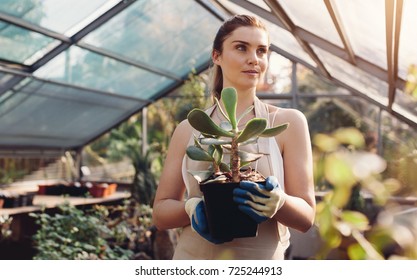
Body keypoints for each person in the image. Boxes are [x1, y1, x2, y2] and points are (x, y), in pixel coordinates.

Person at [152, 14, 315, 260]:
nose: (254, 59)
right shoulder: (189, 128)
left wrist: (278, 203)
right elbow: (160, 213)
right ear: (217, 56)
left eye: (262, 51)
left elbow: (306, 218)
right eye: (241, 48)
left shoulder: (287, 123)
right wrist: (193, 207)